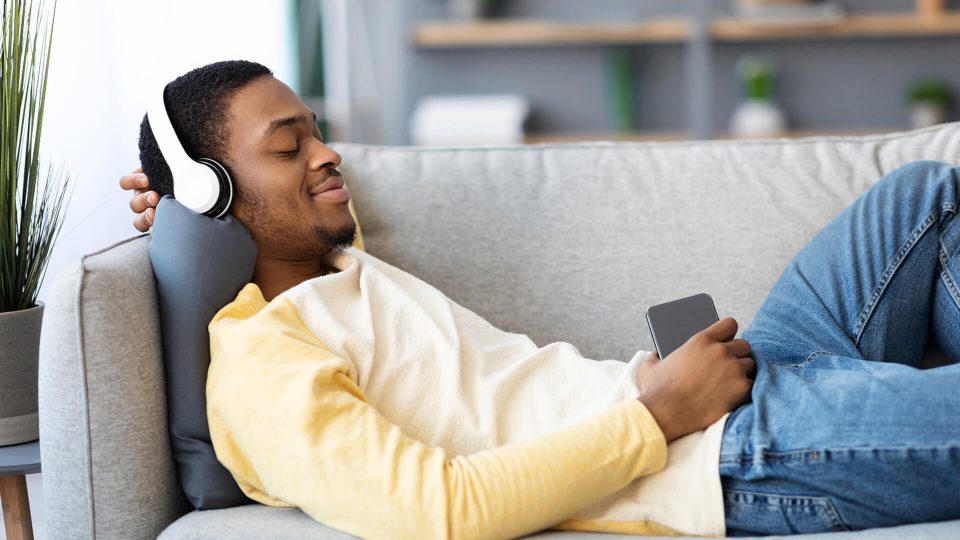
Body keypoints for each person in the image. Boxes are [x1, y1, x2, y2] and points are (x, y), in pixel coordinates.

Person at [122, 60, 960, 539]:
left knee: (920, 196)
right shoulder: (265, 363)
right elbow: (440, 509)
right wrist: (660, 416)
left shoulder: (335, 266)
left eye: (317, 129)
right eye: (289, 145)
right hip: (718, 459)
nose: (328, 154)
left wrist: (184, 210)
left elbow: (284, 207)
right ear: (215, 189)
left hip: (710, 387)